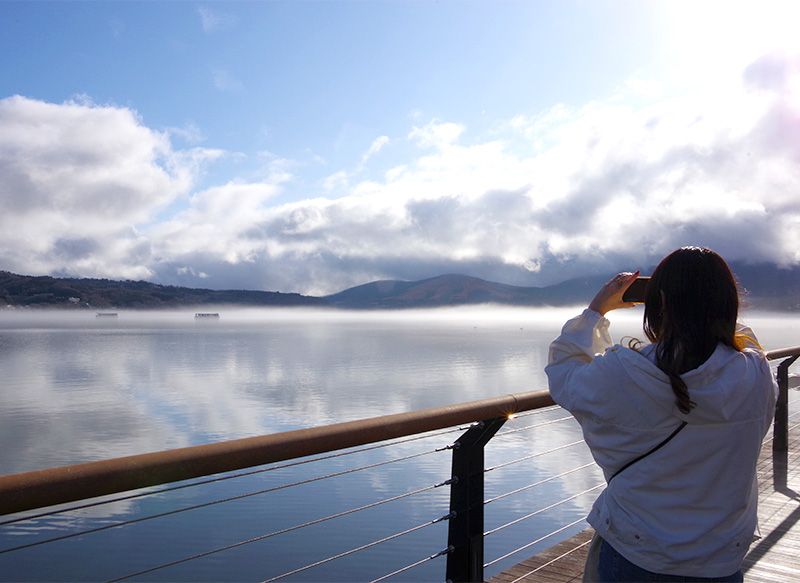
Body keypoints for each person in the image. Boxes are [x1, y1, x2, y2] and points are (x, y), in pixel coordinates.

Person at [545, 247, 778, 582]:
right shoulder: (756, 376)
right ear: (729, 303)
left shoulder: (626, 373)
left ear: (660, 304)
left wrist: (596, 311)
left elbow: (565, 373)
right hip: (720, 559)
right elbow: (745, 343)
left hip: (636, 555)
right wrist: (710, 312)